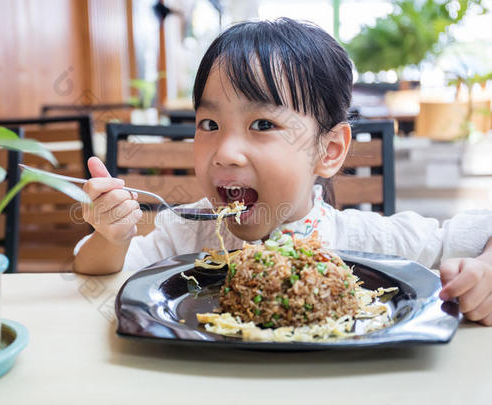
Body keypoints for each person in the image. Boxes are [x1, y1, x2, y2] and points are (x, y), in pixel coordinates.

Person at [73, 18, 492, 325]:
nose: (226, 153)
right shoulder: (181, 233)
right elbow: (98, 273)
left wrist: (485, 273)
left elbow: (480, 232)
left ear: (328, 151)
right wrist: (112, 237)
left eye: (262, 125)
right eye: (210, 125)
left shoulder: (367, 242)